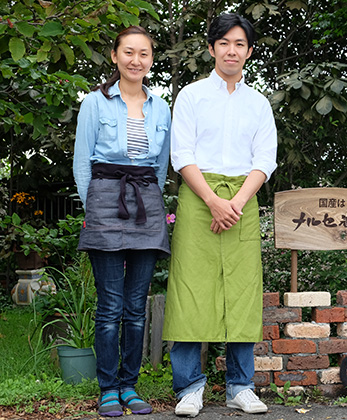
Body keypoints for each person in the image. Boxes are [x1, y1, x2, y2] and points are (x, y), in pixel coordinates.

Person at [162, 13, 277, 417]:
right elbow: (182, 155)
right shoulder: (192, 96)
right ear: (211, 48)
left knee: (242, 293)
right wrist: (213, 201)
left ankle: (239, 386)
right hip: (198, 199)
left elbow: (265, 159)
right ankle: (189, 387)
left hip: (243, 200)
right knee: (192, 290)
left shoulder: (259, 103)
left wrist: (236, 202)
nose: (232, 50)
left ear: (249, 51)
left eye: (240, 43)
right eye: (225, 42)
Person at [73, 26, 171, 417]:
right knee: (110, 305)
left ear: (151, 60)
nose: (136, 60)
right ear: (115, 56)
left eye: (143, 53)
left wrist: (149, 198)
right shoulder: (95, 104)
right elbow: (83, 164)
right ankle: (108, 387)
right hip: (104, 201)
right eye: (128, 52)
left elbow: (160, 168)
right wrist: (95, 207)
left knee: (136, 306)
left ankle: (130, 385)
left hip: (145, 202)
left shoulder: (161, 108)